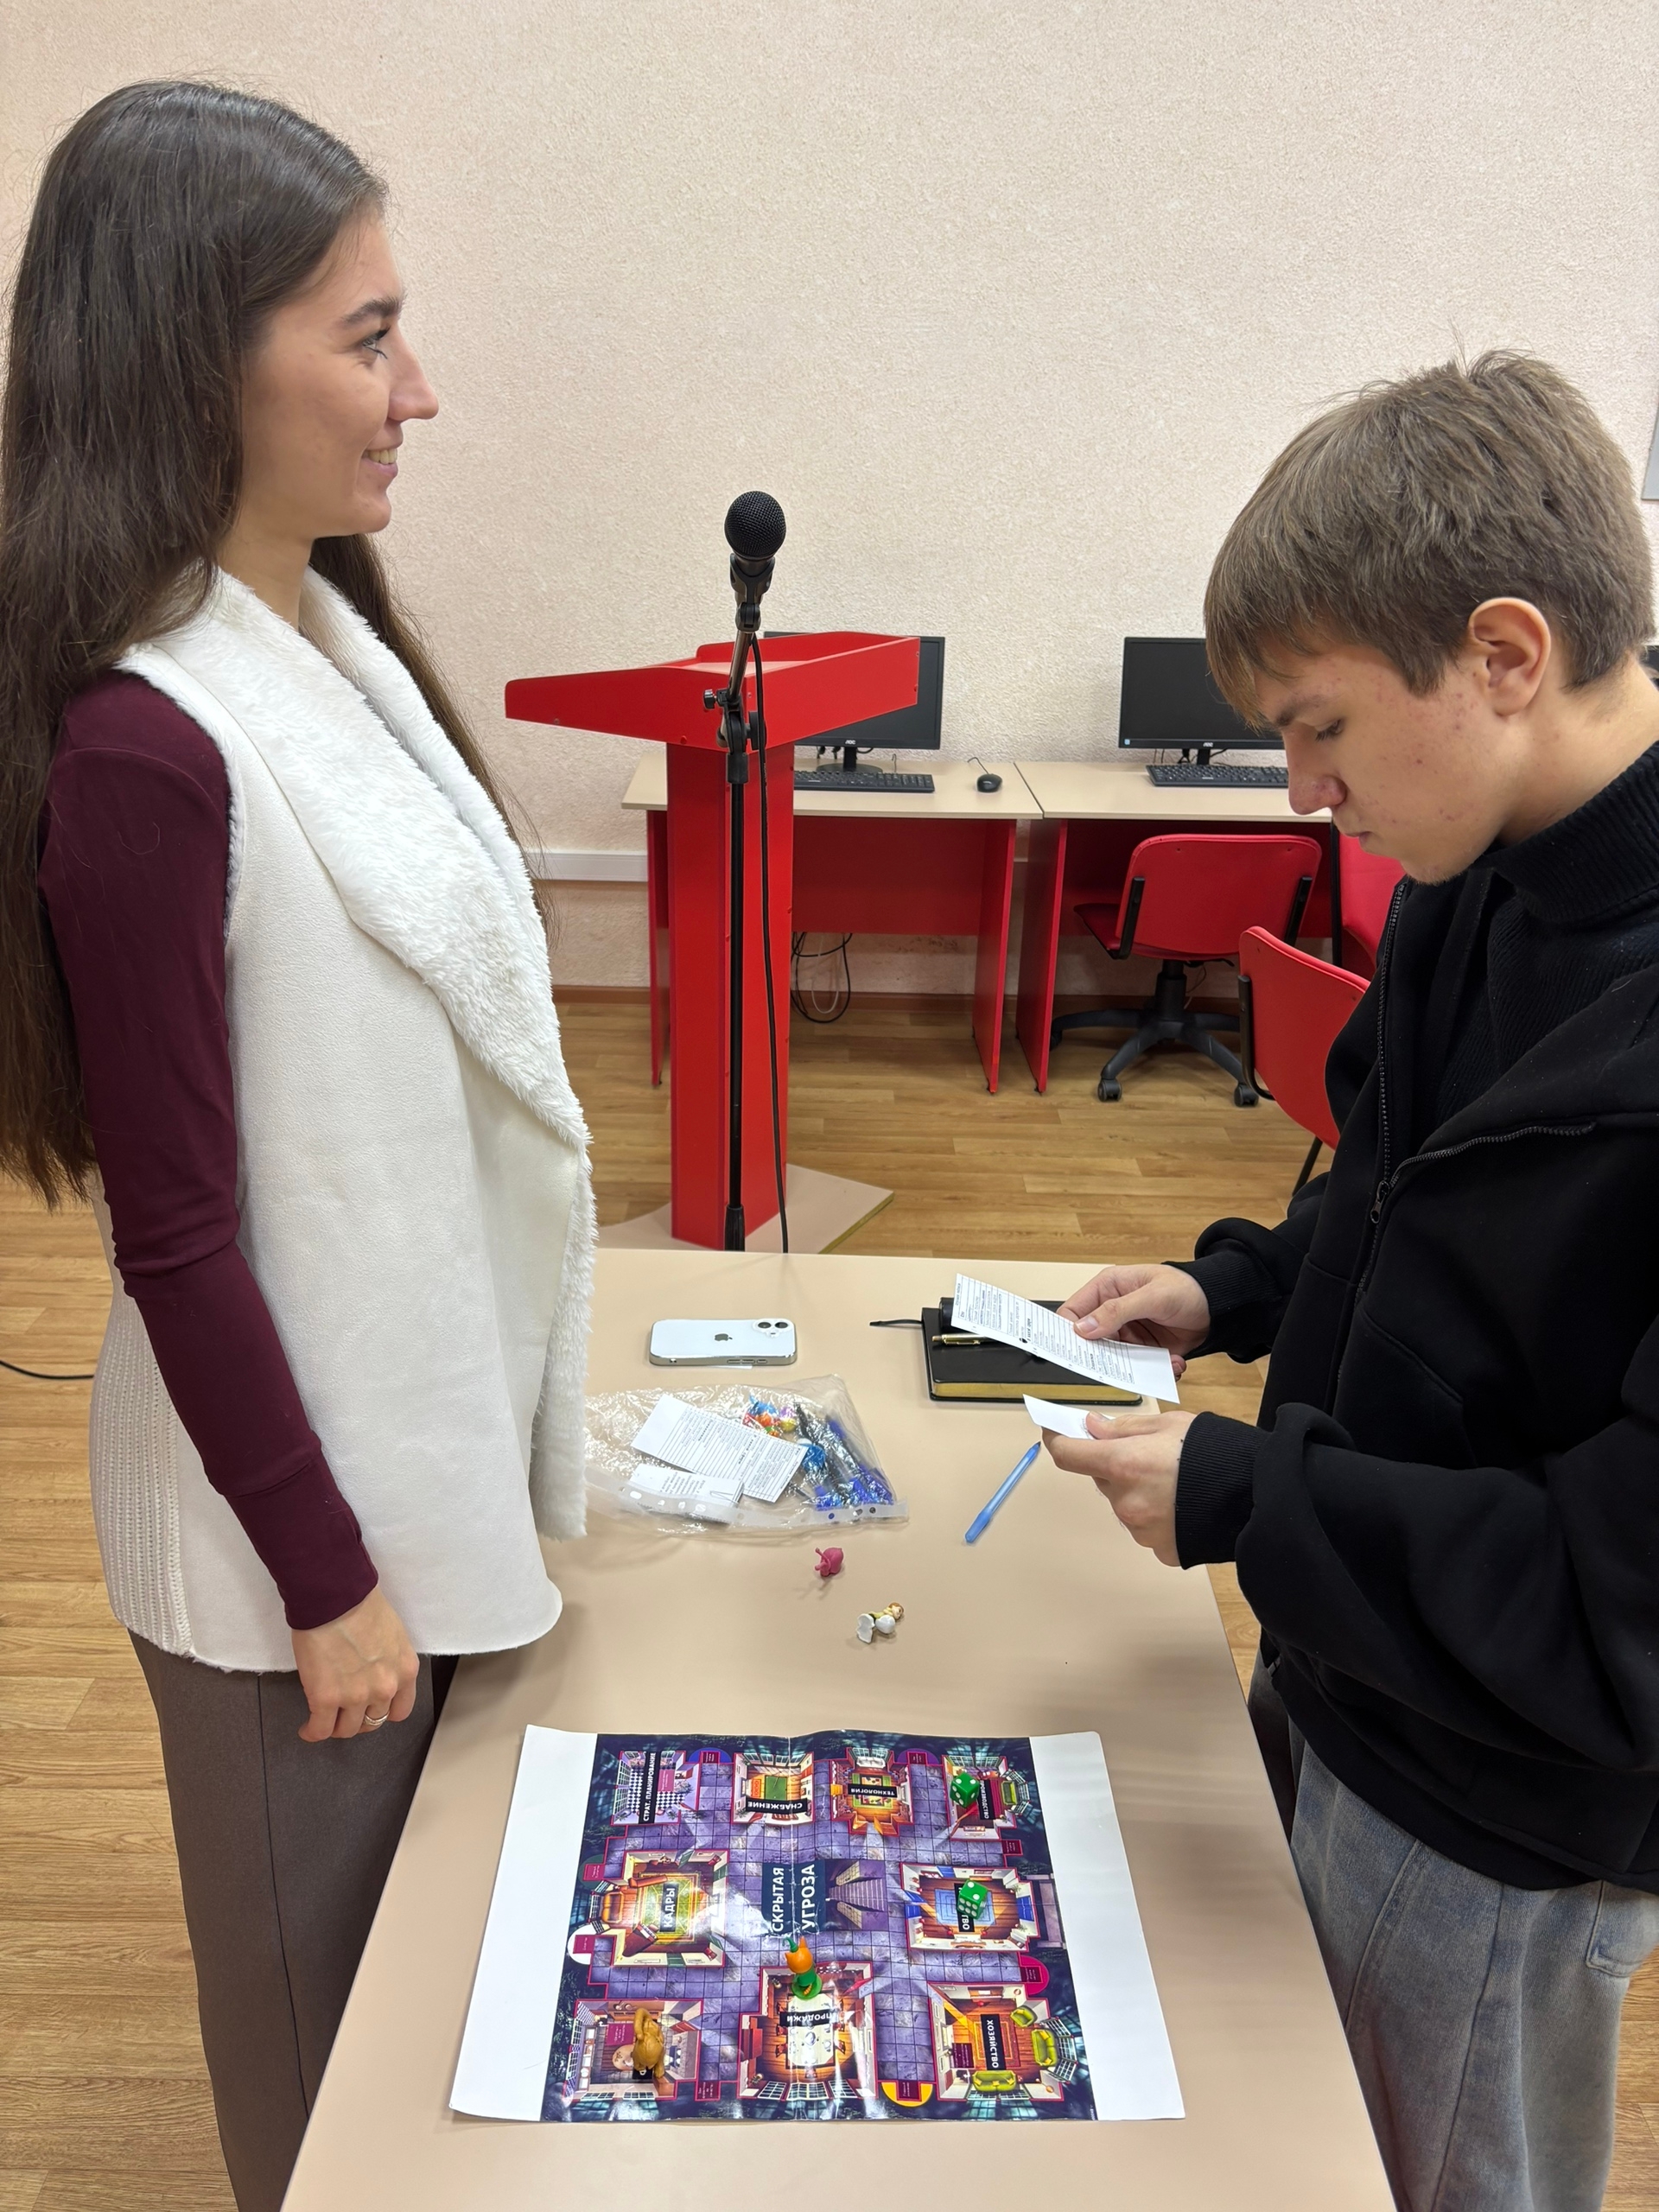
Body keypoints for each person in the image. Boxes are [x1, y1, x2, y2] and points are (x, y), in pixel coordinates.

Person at [0, 83, 594, 2212]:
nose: (417, 389)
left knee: (422, 2031)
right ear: (195, 359)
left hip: (405, 1459)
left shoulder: (332, 647)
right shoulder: (145, 743)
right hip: (287, 1554)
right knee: (318, 2085)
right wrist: (326, 1578)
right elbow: (177, 1235)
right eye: (367, 336)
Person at [1046, 353, 1659, 2212]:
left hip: (1501, 1803)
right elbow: (1407, 1198)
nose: (1303, 792)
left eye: (1319, 728)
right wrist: (1231, 1288)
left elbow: (1620, 1612)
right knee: (1290, 2137)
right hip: (1348, 1658)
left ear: (1503, 653)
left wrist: (1249, 1498)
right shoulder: (1482, 866)